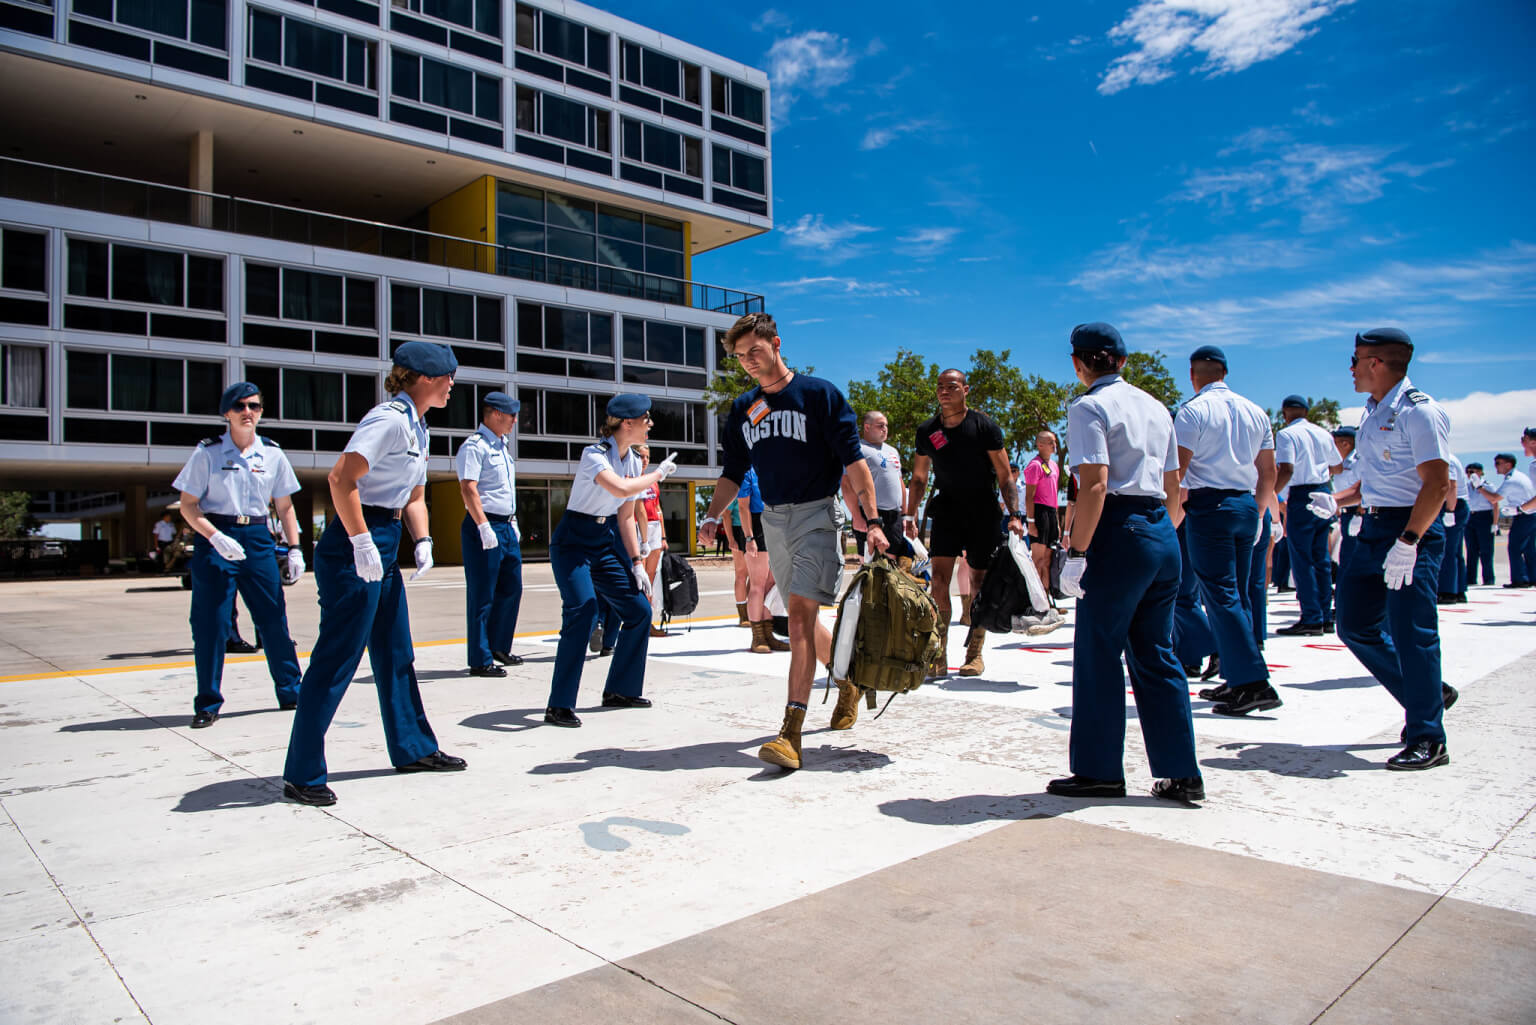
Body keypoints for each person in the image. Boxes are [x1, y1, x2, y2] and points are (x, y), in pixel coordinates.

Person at [699, 312, 888, 769]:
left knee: (800, 622)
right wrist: (710, 515)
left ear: (776, 344)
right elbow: (732, 473)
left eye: (754, 352)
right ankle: (847, 683)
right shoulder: (745, 408)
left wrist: (875, 520)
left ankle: (791, 732)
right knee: (805, 621)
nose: (747, 362)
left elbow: (854, 463)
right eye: (740, 356)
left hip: (818, 518)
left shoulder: (819, 395)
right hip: (774, 523)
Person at [282, 342, 468, 806]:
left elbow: (414, 496)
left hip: (383, 538)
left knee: (396, 651)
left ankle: (413, 749)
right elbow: (340, 480)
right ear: (424, 378)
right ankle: (301, 772)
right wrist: (361, 541)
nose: (451, 385)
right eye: (447, 376)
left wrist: (421, 539)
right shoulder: (387, 420)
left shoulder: (418, 425)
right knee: (337, 657)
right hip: (354, 540)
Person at [1048, 323, 1203, 804]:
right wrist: (1160, 533)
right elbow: (1177, 486)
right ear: (1122, 361)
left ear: (1078, 363)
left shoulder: (1088, 406)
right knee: (1157, 654)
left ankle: (1099, 770)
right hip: (1161, 527)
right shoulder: (1157, 407)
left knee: (1098, 654)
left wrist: (1076, 551)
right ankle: (1180, 771)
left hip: (1118, 529)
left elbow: (1094, 484)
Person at [1308, 328, 1456, 770]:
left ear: (1376, 362)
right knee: (1353, 624)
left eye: (1355, 360)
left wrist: (1409, 541)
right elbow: (1377, 483)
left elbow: (1437, 484)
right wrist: (1336, 500)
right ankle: (1428, 693)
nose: (1350, 369)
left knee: (1414, 634)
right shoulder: (1372, 414)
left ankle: (1429, 736)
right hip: (1372, 527)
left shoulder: (1420, 413)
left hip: (1411, 528)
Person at [172, 381, 304, 729]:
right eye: (241, 406)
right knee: (211, 623)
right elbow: (188, 506)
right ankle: (208, 702)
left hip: (258, 537)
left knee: (273, 618)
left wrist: (295, 548)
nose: (249, 412)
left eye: (255, 406)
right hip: (217, 536)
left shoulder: (273, 453)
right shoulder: (208, 453)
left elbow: (285, 506)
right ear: (227, 413)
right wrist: (215, 537)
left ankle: (292, 692)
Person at [544, 394, 677, 727]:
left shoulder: (632, 460)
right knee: (584, 610)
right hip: (573, 542)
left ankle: (620, 690)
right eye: (646, 419)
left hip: (603, 543)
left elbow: (626, 515)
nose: (650, 424)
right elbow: (619, 489)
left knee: (639, 611)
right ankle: (559, 704)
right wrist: (658, 474)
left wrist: (635, 560)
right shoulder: (594, 455)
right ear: (627, 423)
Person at [1173, 345, 1282, 717]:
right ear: (1224, 372)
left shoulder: (1193, 411)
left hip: (1210, 506)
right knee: (1239, 594)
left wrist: (1170, 513)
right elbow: (1269, 472)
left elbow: (1178, 470)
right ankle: (1237, 676)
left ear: (1193, 374)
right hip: (1246, 506)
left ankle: (1253, 682)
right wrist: (1262, 511)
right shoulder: (1256, 412)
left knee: (1219, 595)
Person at [904, 369, 1025, 677]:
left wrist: (1014, 515)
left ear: (965, 390)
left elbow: (1004, 475)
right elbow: (919, 477)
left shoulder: (983, 426)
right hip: (947, 509)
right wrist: (910, 514)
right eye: (940, 386)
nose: (945, 391)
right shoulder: (928, 430)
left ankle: (974, 653)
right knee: (940, 579)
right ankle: (939, 653)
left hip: (983, 509)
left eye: (952, 386)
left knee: (979, 582)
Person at [457, 390, 524, 677]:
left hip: (506, 525)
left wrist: (513, 522)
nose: (515, 421)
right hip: (483, 524)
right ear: (496, 414)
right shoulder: (475, 447)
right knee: (483, 594)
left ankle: (499, 646)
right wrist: (483, 525)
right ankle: (480, 658)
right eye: (512, 415)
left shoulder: (501, 447)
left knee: (512, 587)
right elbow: (468, 488)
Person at [1273, 395, 1342, 634]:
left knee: (1302, 559)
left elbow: (1287, 469)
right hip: (1323, 491)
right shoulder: (1323, 433)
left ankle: (1311, 617)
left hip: (1302, 495)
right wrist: (1319, 473)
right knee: (1321, 558)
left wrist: (1271, 493)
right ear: (1306, 412)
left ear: (1285, 413)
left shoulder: (1286, 434)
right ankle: (1325, 615)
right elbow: (1338, 466)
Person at [843, 409, 912, 560]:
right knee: (869, 564)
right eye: (880, 425)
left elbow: (900, 482)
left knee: (892, 563)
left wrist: (905, 515)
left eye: (886, 426)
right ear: (867, 427)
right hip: (870, 514)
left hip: (894, 515)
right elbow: (847, 485)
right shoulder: (857, 449)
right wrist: (856, 516)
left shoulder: (893, 451)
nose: (885, 429)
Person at [737, 465, 788, 653]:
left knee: (772, 584)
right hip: (756, 527)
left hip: (777, 524)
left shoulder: (776, 467)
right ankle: (757, 636)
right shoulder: (748, 472)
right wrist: (749, 537)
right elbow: (743, 507)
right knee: (757, 585)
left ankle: (769, 633)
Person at [1473, 453, 1536, 587]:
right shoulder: (1519, 476)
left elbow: (1494, 498)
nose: (1495, 466)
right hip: (1530, 514)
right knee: (1529, 549)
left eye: (1498, 463)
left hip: (1523, 515)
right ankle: (1531, 577)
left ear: (1508, 464)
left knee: (1515, 547)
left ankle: (1520, 579)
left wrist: (1479, 487)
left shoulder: (1511, 480)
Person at [1022, 430, 1065, 612]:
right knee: (1038, 560)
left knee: (1048, 560)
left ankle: (1048, 601)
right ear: (1040, 445)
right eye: (1051, 442)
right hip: (1038, 512)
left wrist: (1056, 521)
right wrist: (1031, 522)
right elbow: (1029, 497)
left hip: (1051, 512)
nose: (1055, 445)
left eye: (1055, 442)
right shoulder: (1034, 466)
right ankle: (1035, 602)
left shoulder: (1054, 466)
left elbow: (1054, 495)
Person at [634, 444, 671, 638]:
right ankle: (637, 621)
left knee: (651, 577)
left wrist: (663, 536)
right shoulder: (631, 478)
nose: (644, 460)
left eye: (647, 457)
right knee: (640, 579)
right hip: (639, 529)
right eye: (641, 456)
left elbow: (658, 508)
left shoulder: (652, 481)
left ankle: (648, 622)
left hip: (655, 527)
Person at [1437, 454, 1469, 604]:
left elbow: (1451, 485)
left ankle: (1447, 591)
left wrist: (1450, 511)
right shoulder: (1449, 457)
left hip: (1451, 505)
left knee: (1447, 550)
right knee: (1455, 551)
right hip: (1456, 504)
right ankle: (1459, 590)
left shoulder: (1444, 458)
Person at [1332, 426, 1363, 575]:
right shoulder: (1341, 464)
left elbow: (1365, 488)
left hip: (1357, 513)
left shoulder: (1358, 460)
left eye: (1335, 443)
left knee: (1353, 557)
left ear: (1346, 444)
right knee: (1345, 557)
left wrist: (1359, 514)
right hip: (1345, 512)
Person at [1463, 461, 1496, 586]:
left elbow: (1495, 504)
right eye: (1468, 472)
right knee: (1471, 550)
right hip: (1470, 517)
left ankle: (1488, 579)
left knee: (1486, 550)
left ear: (1481, 472)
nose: (1470, 474)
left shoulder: (1487, 485)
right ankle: (1470, 579)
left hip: (1484, 517)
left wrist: (1495, 522)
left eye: (1473, 471)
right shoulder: (1466, 486)